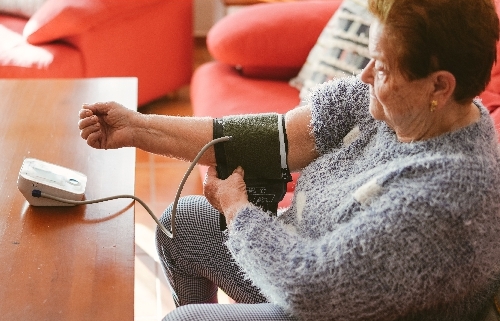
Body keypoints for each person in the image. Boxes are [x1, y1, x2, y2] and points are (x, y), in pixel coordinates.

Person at [78, 0, 500, 320]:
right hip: (302, 261)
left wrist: (237, 210)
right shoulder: (395, 107)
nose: (366, 75)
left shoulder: (447, 196)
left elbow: (309, 287)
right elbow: (273, 139)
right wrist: (136, 128)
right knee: (180, 227)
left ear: (439, 86)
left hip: (329, 305)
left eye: (384, 67)